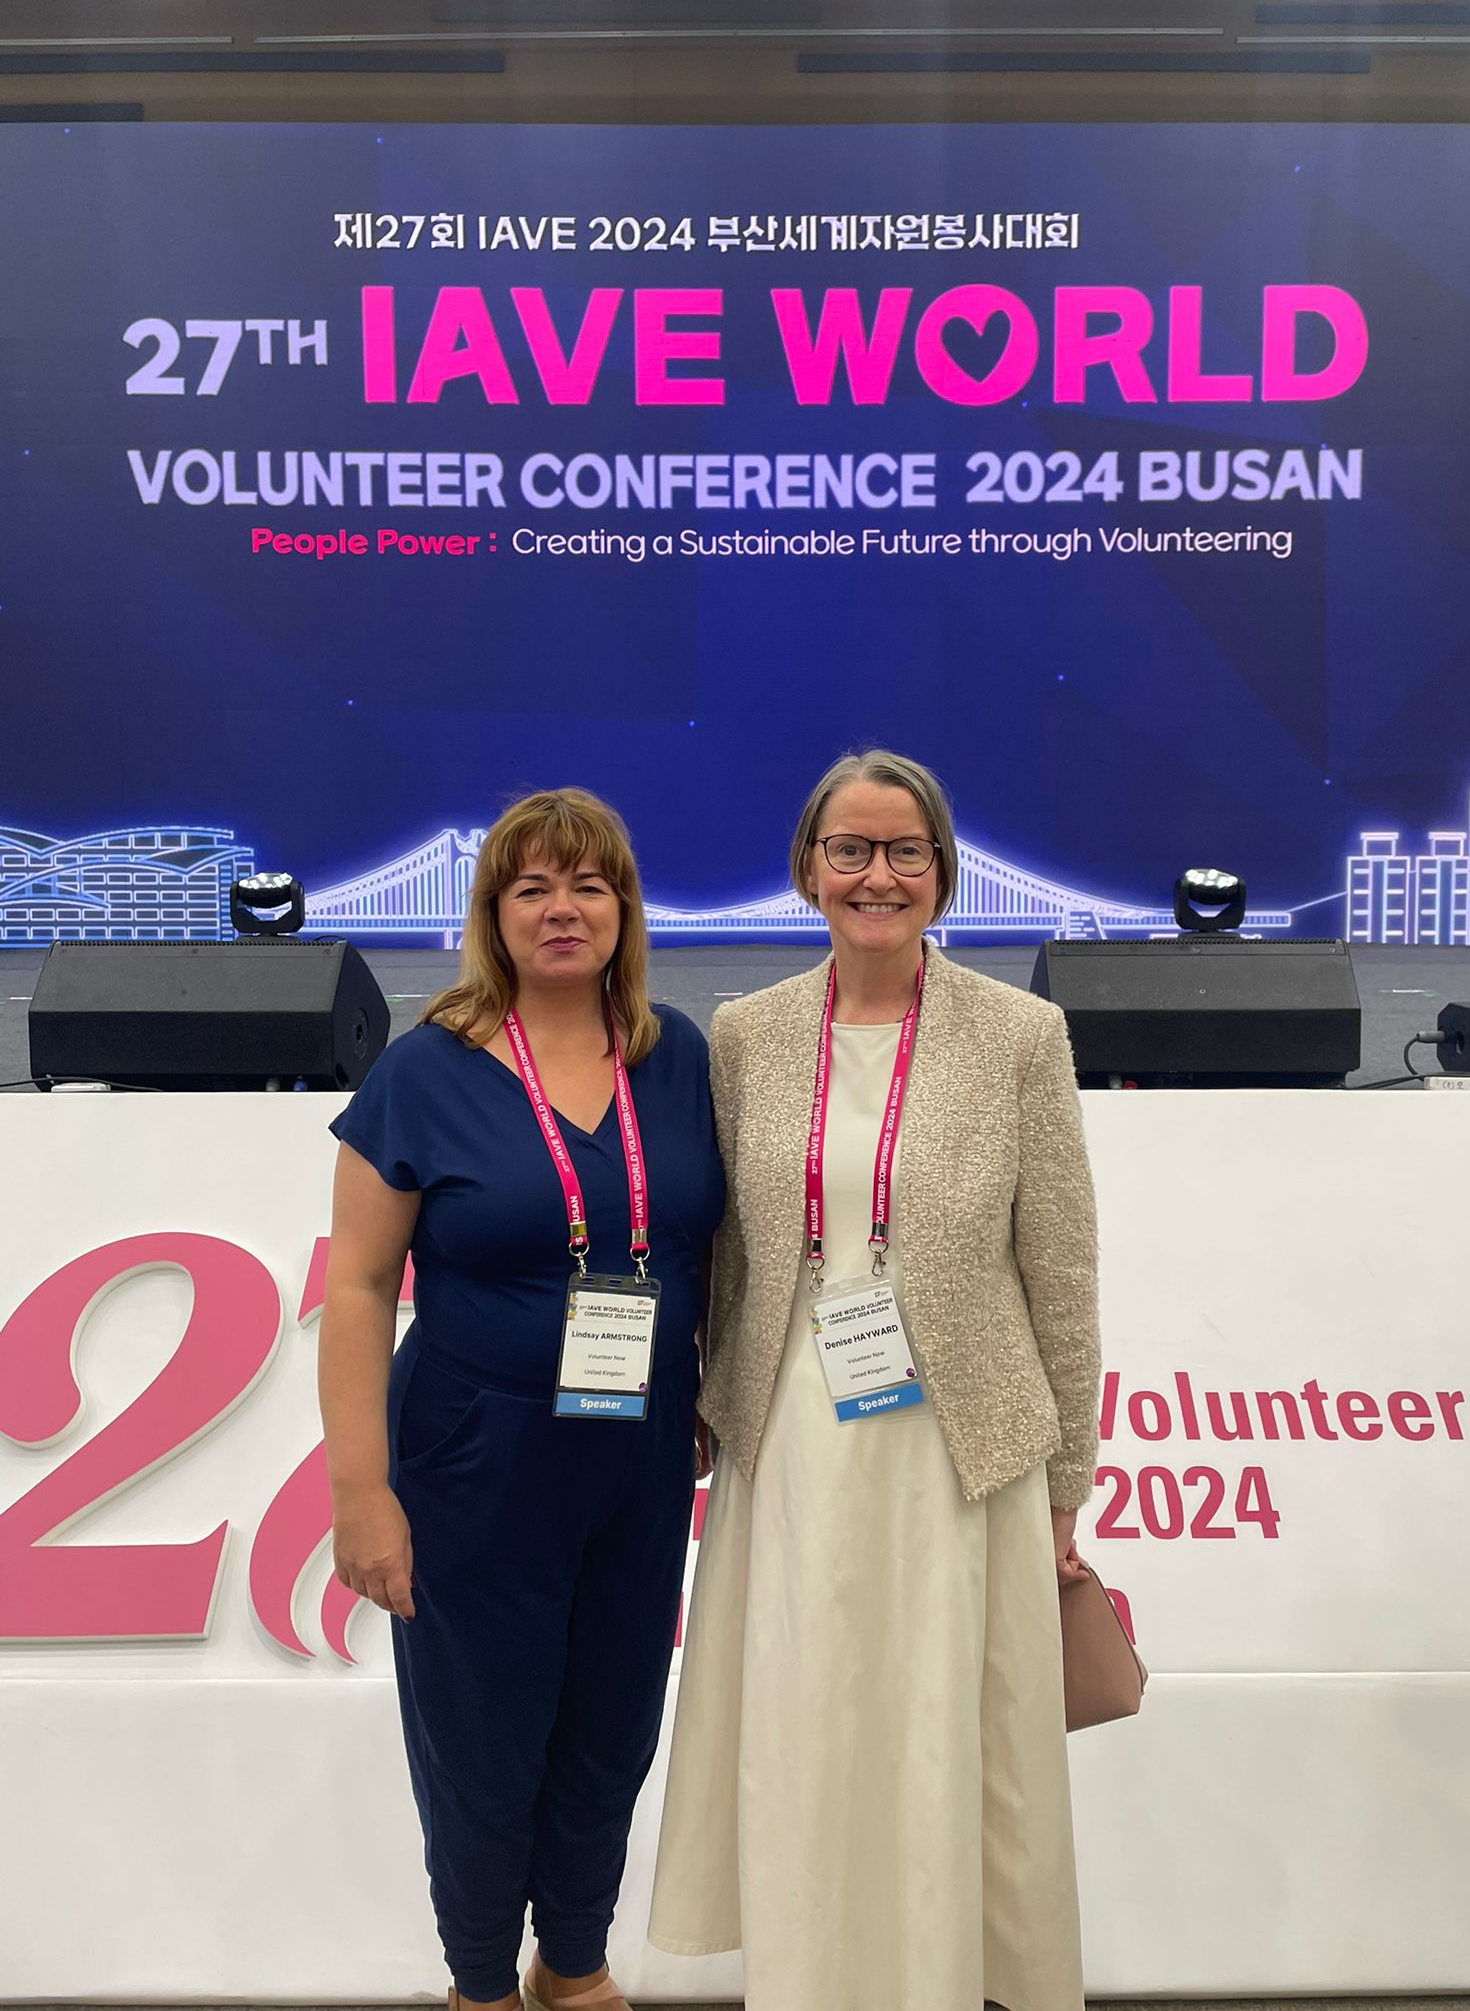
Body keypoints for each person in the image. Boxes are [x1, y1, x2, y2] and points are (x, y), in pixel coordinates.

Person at [649, 749, 1101, 2011]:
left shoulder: (1022, 1034)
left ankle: (944, 1977)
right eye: (850, 848)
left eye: (905, 851)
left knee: (944, 1729)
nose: (876, 874)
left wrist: (1072, 1475)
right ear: (808, 869)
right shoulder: (747, 1032)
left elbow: (1060, 1265)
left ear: (944, 875)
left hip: (961, 1442)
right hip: (792, 1425)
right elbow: (726, 1240)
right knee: (808, 1720)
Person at [320, 788, 724, 2011]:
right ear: (493, 912)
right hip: (471, 1452)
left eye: (589, 884)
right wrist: (361, 1490)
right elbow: (354, 1284)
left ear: (624, 909)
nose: (564, 908)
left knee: (610, 1730)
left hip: (640, 1452)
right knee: (483, 1745)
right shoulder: (422, 1068)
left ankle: (576, 1959)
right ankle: (482, 1981)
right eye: (533, 886)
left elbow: (705, 1243)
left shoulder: (679, 1055)